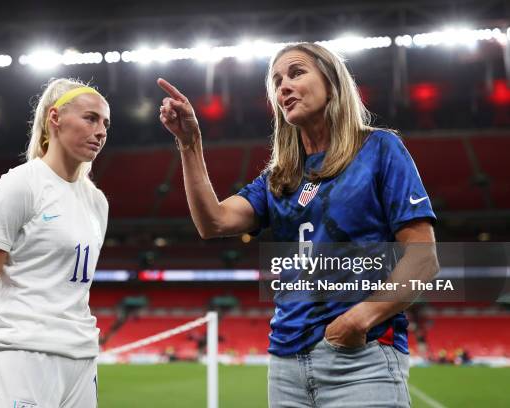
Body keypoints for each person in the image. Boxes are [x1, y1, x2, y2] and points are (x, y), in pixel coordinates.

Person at [157, 42, 437, 407]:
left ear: (332, 82)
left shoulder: (380, 149)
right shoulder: (280, 177)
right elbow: (213, 221)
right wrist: (189, 143)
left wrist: (361, 318)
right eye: (276, 81)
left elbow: (424, 259)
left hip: (360, 360)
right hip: (285, 367)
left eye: (296, 73)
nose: (283, 86)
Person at [0, 78, 110, 408]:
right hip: (19, 358)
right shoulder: (21, 186)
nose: (101, 131)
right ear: (55, 118)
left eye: (106, 123)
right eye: (90, 118)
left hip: (81, 361)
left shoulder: (97, 202)